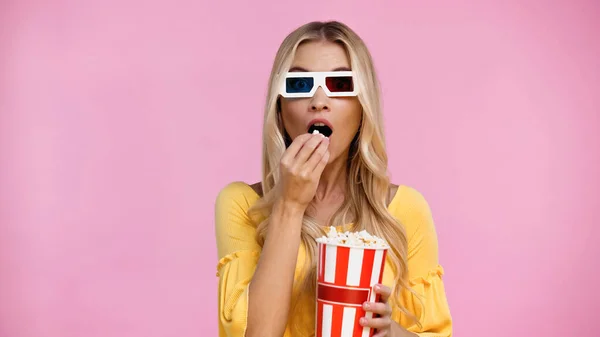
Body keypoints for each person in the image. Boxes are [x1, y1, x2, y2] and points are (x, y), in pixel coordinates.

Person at [214, 21, 452, 337]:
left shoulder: (404, 208)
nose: (319, 100)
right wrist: (289, 204)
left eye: (340, 83)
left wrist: (391, 332)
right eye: (299, 84)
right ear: (280, 108)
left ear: (362, 107)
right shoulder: (242, 204)